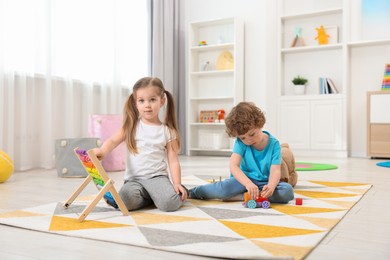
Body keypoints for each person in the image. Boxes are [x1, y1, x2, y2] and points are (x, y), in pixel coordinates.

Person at [93, 77, 187, 212]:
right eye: (141, 101)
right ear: (135, 103)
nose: (147, 105)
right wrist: (102, 151)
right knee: (123, 201)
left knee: (169, 204)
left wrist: (177, 183)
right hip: (133, 180)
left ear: (162, 101)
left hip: (157, 178)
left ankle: (178, 192)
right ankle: (151, 197)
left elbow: (173, 161)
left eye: (152, 100)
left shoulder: (167, 131)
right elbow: (113, 141)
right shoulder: (131, 126)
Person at [189, 102, 294, 204]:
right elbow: (233, 166)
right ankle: (192, 192)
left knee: (287, 192)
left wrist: (271, 186)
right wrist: (248, 183)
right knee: (222, 189)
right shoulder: (240, 143)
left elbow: (275, 170)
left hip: (264, 183)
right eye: (243, 137)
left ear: (260, 124)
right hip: (242, 181)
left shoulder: (274, 144)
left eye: (252, 134)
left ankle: (241, 196)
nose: (248, 140)